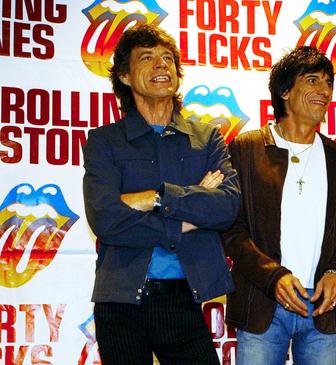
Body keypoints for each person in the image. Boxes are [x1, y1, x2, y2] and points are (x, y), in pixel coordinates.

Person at [82, 24, 240, 364]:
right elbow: (107, 219)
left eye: (168, 58)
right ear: (124, 76)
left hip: (183, 296)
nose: (161, 65)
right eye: (148, 58)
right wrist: (187, 214)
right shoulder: (104, 141)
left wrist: (155, 197)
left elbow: (227, 206)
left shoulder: (206, 136)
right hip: (121, 299)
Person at [222, 46, 336, 365]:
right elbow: (232, 230)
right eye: (312, 80)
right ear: (285, 91)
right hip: (263, 303)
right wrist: (273, 278)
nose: (324, 90)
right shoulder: (247, 149)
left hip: (324, 310)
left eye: (328, 83)